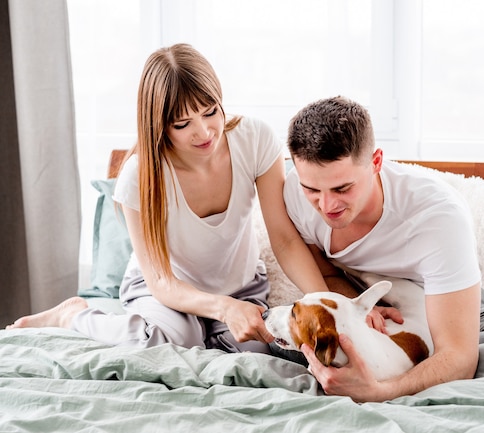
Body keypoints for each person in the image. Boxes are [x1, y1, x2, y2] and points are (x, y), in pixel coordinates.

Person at [5, 43, 337, 354]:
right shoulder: (141, 176)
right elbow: (161, 281)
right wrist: (223, 308)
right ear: (160, 125)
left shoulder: (255, 139)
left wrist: (328, 305)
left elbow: (284, 241)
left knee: (259, 352)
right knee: (175, 340)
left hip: (240, 286)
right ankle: (73, 315)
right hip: (164, 292)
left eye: (210, 112)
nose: (204, 132)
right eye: (183, 123)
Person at [283, 95, 484, 401]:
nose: (327, 205)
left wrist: (381, 392)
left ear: (375, 162)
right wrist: (358, 306)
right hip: (368, 307)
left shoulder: (437, 216)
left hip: (442, 309)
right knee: (280, 344)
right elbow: (325, 272)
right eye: (312, 190)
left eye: (342, 188)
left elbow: (458, 356)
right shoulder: (295, 191)